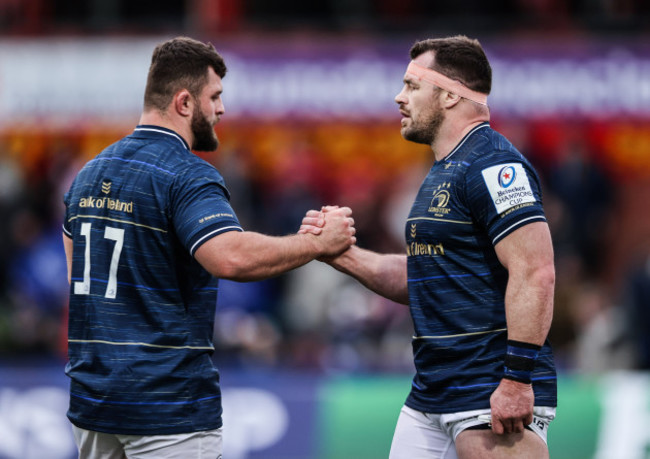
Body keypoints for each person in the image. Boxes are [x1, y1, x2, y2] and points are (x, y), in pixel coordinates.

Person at [61, 36, 355, 459]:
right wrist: (315, 243)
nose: (221, 110)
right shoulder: (186, 174)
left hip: (93, 404)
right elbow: (229, 256)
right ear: (184, 102)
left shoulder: (88, 173)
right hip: (166, 410)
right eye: (215, 97)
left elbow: (77, 276)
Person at [301, 35, 557, 458]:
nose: (399, 98)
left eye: (411, 86)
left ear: (451, 96)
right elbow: (423, 277)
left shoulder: (494, 165)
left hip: (487, 388)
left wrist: (516, 381)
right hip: (432, 392)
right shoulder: (444, 170)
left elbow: (535, 272)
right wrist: (340, 253)